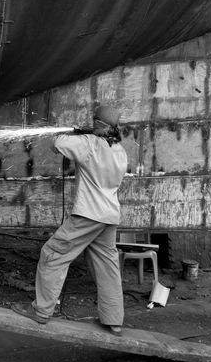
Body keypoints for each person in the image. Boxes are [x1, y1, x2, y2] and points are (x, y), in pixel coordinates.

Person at [11, 105, 128, 333]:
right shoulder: (120, 151)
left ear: (98, 125)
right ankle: (114, 320)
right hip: (110, 216)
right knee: (107, 266)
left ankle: (41, 310)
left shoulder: (88, 144)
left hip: (88, 215)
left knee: (53, 254)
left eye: (94, 123)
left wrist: (77, 133)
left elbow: (56, 143)